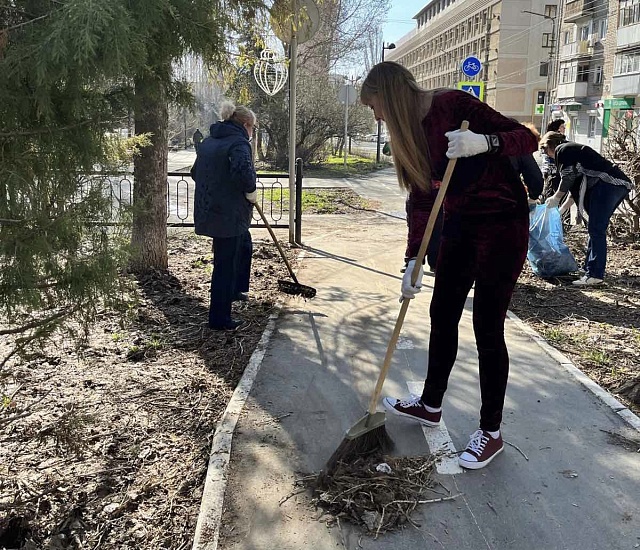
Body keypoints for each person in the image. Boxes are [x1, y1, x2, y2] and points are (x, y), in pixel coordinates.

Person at [361, 62, 538, 470]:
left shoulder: (453, 104)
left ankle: (490, 432)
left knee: (487, 325)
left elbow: (525, 138)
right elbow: (422, 200)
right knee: (442, 313)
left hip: (502, 221)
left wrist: (484, 143)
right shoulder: (408, 137)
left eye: (376, 106)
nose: (376, 116)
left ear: (390, 95)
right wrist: (412, 260)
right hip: (459, 223)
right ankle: (430, 403)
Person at [191, 101, 257, 330]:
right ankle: (219, 318)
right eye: (253, 128)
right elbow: (242, 172)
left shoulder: (210, 141)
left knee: (243, 243)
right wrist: (250, 192)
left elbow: (194, 173)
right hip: (228, 213)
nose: (252, 133)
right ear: (246, 124)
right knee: (224, 264)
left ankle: (234, 290)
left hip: (211, 210)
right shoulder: (239, 142)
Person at [540, 131, 634, 286]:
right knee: (594, 227)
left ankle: (595, 275)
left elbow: (568, 177)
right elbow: (575, 188)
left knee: (596, 228)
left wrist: (556, 197)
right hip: (617, 185)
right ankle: (590, 269)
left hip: (609, 184)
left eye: (545, 151)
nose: (549, 156)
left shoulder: (562, 150)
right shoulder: (573, 153)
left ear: (549, 145)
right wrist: (562, 207)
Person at [541, 119, 565, 200]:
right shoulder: (554, 140)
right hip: (555, 173)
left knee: (548, 196)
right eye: (562, 127)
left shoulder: (547, 138)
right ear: (557, 129)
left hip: (549, 173)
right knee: (558, 198)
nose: (564, 128)